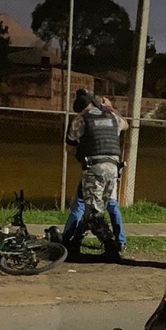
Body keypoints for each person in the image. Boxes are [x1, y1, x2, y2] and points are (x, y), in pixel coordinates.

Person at [63, 89, 129, 259]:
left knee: (93, 214)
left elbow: (69, 147)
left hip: (94, 170)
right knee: (96, 210)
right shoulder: (112, 116)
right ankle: (74, 242)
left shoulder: (80, 120)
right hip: (114, 170)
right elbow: (126, 124)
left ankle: (111, 246)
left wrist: (82, 147)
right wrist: (111, 108)